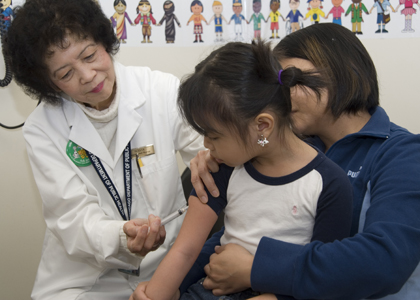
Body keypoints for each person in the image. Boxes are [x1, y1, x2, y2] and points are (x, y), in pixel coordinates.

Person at [189, 23, 420, 300]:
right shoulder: (287, 149)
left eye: (290, 79)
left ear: (343, 71)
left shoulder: (402, 153)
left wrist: (255, 267)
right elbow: (241, 236)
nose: (279, 97)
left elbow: (384, 261)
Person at [4, 0, 204, 299]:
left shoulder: (160, 91)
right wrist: (124, 238)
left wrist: (208, 157)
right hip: (84, 278)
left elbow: (213, 153)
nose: (86, 75)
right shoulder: (42, 128)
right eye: (65, 73)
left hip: (161, 267)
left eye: (89, 55)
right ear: (49, 83)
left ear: (104, 42)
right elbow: (73, 218)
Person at [130, 40, 353, 300]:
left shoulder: (329, 184)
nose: (205, 144)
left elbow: (322, 279)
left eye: (213, 135)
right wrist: (156, 293)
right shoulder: (221, 169)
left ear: (262, 126)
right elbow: (185, 250)